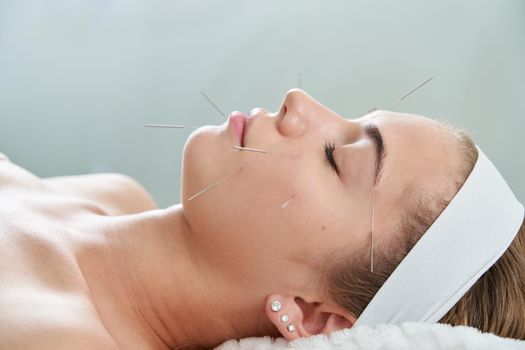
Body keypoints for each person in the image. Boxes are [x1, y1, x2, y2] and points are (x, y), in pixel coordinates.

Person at [0, 89, 523, 350]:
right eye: (352, 120)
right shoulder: (114, 197)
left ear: (313, 318)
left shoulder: (54, 337)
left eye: (337, 158)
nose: (299, 103)